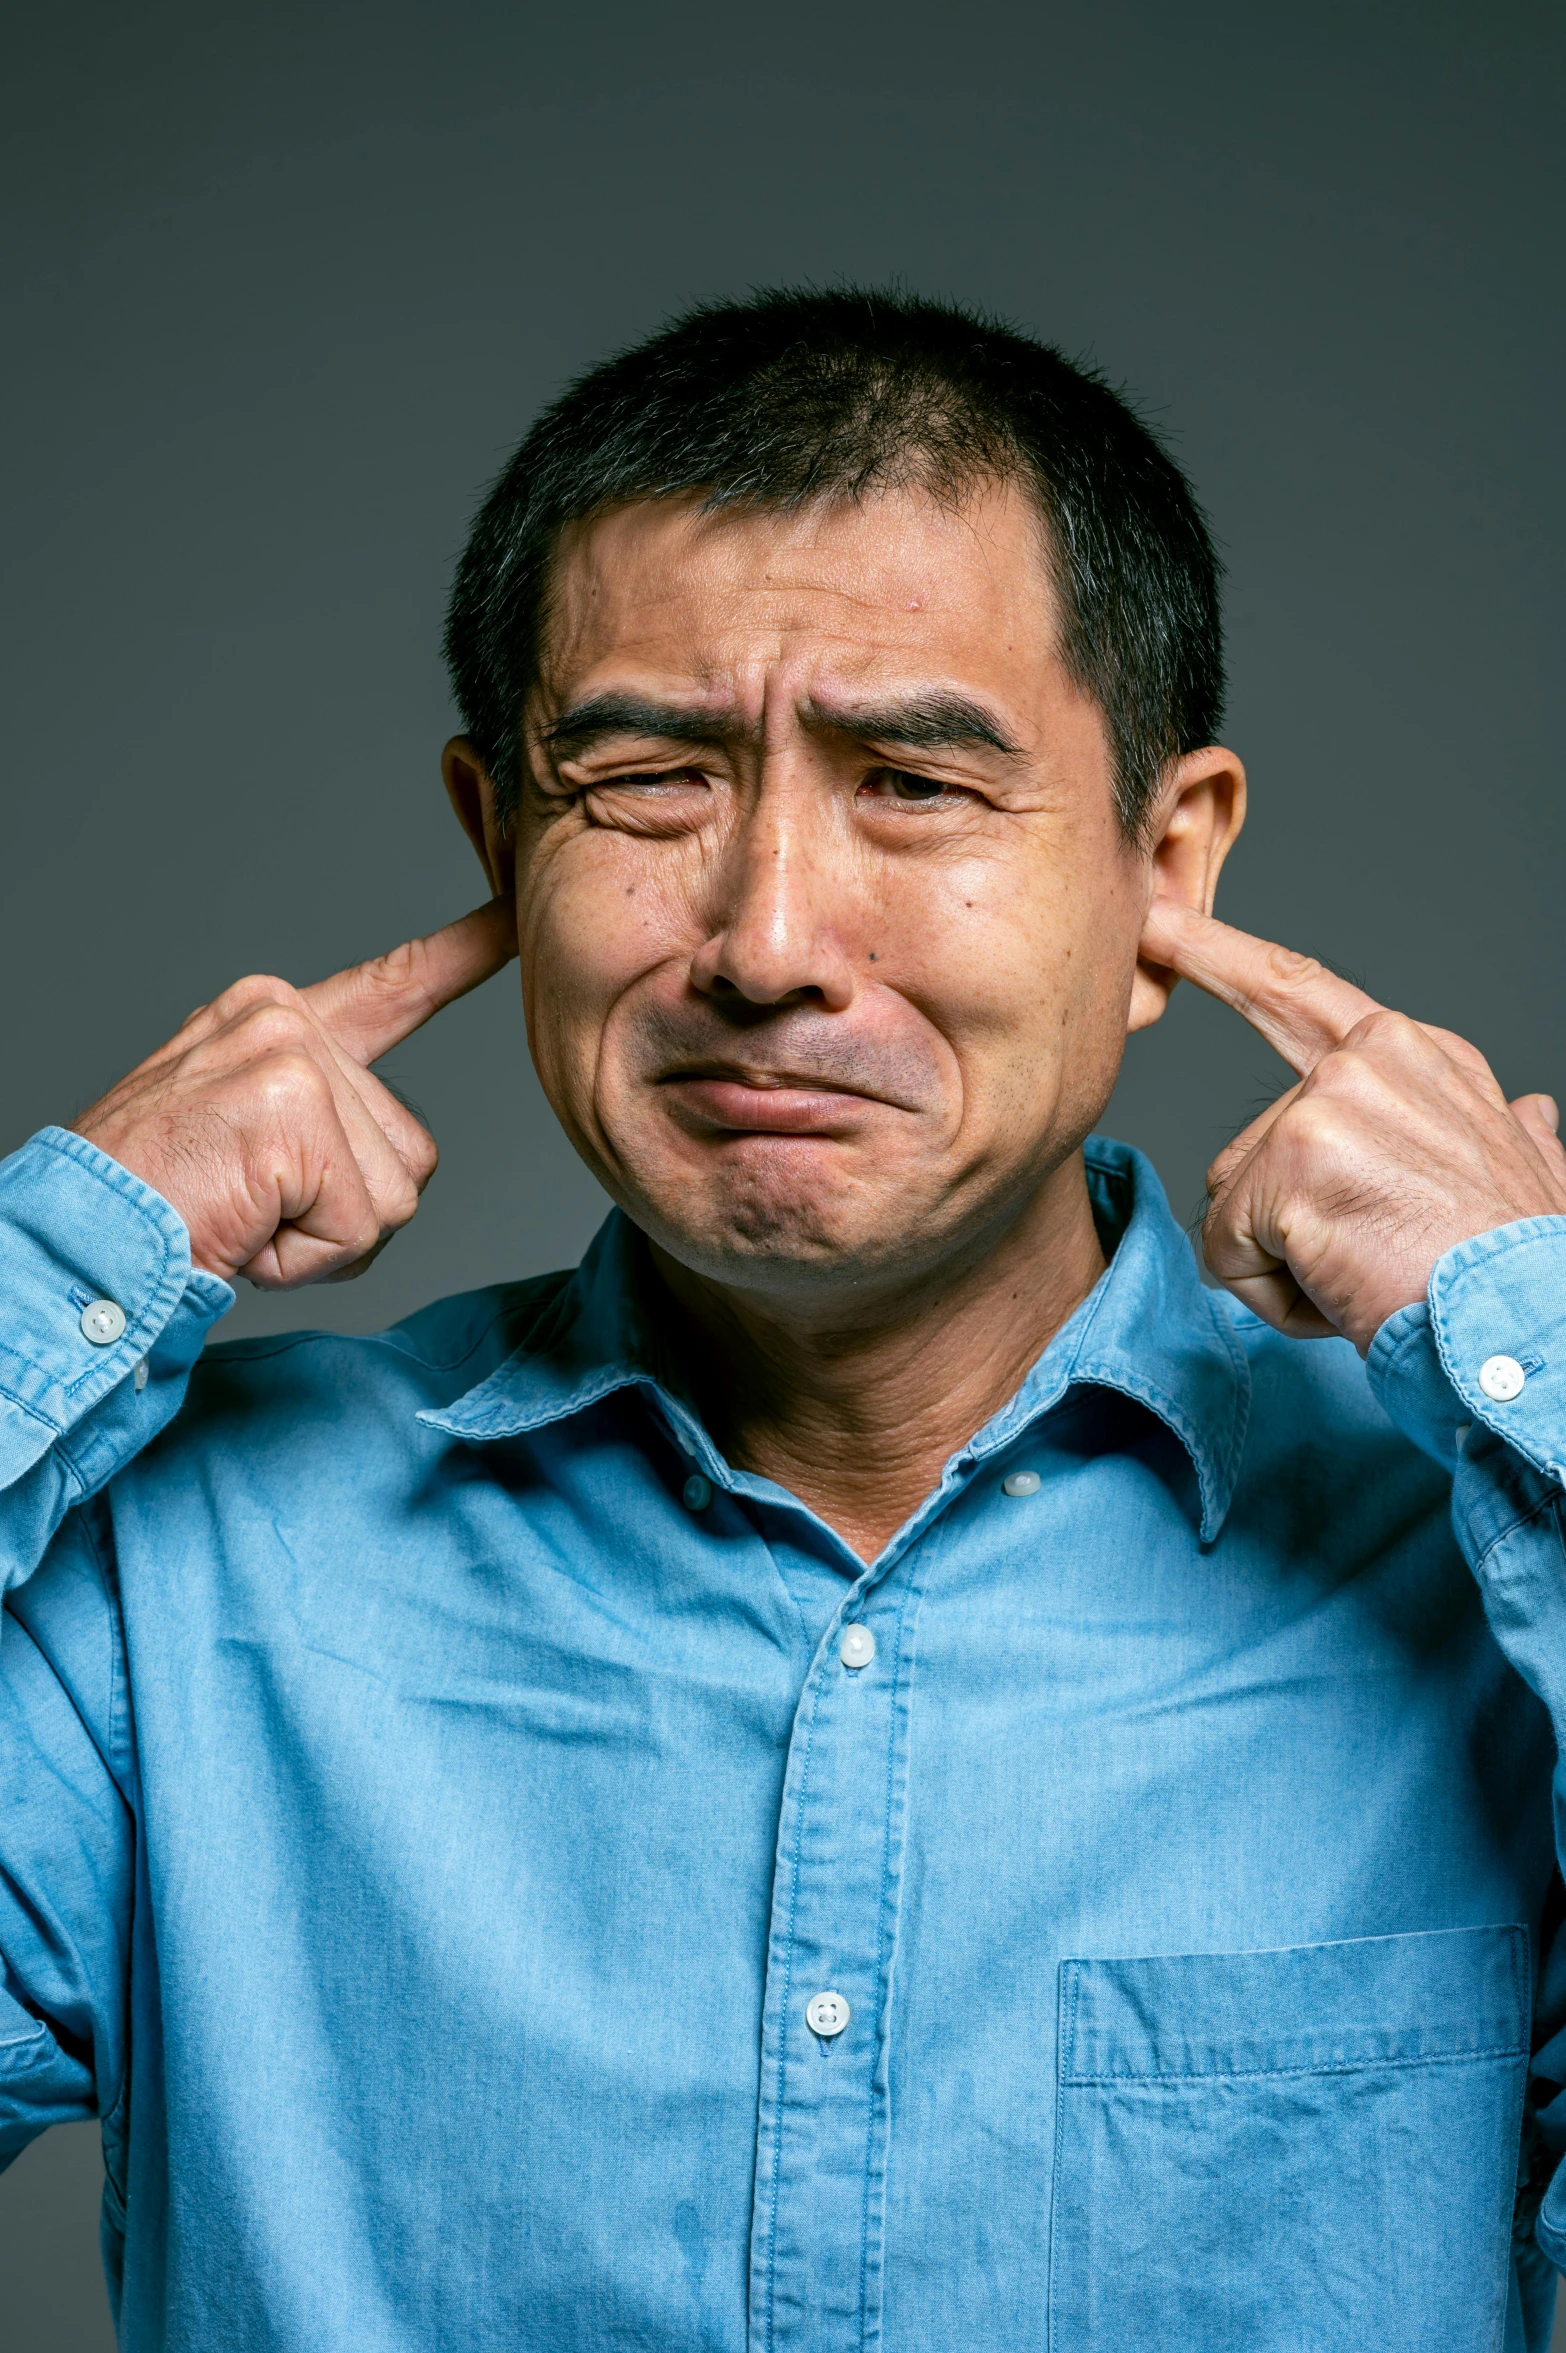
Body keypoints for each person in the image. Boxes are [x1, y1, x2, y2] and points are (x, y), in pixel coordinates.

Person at [2, 288, 1564, 2353]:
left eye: (914, 780)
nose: (766, 944)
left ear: (1162, 864)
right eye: (646, 780)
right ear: (499, 838)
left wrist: (1536, 1340)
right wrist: (58, 1267)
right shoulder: (179, 1584)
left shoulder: (1477, 1583)